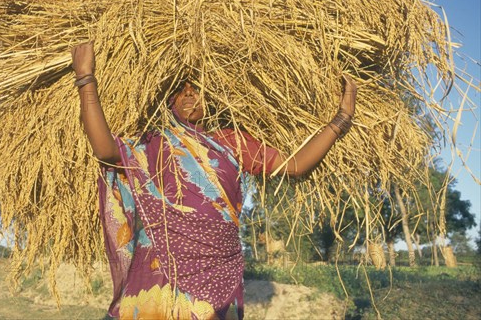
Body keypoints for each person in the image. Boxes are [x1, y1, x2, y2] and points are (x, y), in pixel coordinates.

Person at [71, 42, 356, 319]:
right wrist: (86, 79)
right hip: (160, 279)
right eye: (180, 91)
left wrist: (341, 120)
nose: (188, 95)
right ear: (169, 101)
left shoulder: (232, 142)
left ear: (213, 97)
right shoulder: (153, 144)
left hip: (220, 271)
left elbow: (295, 165)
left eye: (196, 89)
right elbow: (106, 151)